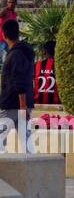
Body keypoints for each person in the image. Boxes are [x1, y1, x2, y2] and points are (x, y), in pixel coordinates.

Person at [0, 18, 35, 146]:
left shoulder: (15, 54)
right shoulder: (26, 52)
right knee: (26, 142)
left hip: (12, 104)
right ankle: (33, 166)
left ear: (3, 34)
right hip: (23, 103)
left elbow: (18, 81)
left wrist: (22, 107)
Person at [33, 40, 57, 105]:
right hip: (57, 105)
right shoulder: (60, 66)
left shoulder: (36, 65)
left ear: (44, 52)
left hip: (37, 104)